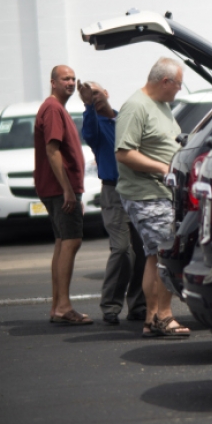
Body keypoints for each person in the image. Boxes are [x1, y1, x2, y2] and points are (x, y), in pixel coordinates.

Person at [115, 57, 190, 338]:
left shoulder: (162, 105)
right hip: (147, 195)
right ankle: (164, 316)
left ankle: (152, 318)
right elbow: (123, 153)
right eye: (178, 85)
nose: (179, 90)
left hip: (162, 194)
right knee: (167, 254)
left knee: (155, 256)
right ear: (165, 81)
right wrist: (162, 167)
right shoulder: (136, 107)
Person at [79, 81, 147, 325]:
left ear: (107, 93)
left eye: (96, 93)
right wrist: (87, 105)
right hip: (113, 192)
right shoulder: (95, 126)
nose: (94, 97)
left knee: (142, 251)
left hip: (138, 190)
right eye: (88, 95)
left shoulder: (126, 119)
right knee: (121, 250)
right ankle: (110, 306)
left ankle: (138, 305)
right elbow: (87, 133)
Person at [34, 65, 92, 325]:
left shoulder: (55, 108)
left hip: (59, 189)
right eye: (65, 79)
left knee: (62, 242)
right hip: (60, 189)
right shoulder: (54, 109)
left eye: (72, 78)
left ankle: (57, 305)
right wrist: (68, 190)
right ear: (53, 83)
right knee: (71, 241)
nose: (70, 82)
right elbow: (52, 150)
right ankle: (63, 307)